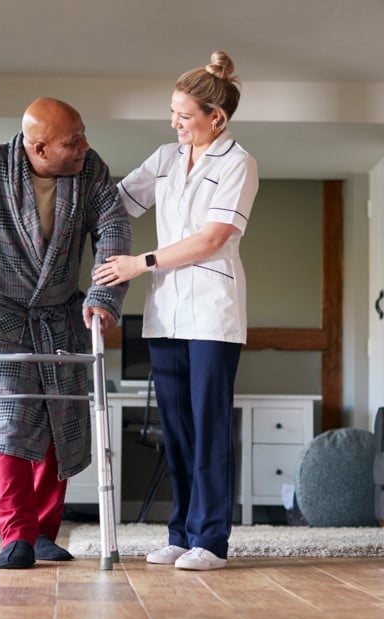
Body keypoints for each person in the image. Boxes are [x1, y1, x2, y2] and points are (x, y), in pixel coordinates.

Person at [0, 97, 132, 569]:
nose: (85, 146)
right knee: (12, 416)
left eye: (83, 134)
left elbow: (113, 232)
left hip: (62, 310)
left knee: (60, 418)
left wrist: (103, 300)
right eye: (72, 141)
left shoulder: (91, 171)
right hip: (4, 311)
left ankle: (45, 531)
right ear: (38, 148)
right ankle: (16, 534)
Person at [94, 51, 258, 571]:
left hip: (213, 313)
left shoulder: (238, 163)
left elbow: (212, 238)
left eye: (184, 116)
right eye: (173, 114)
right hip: (165, 314)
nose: (175, 124)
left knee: (209, 428)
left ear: (217, 118)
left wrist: (139, 262)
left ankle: (211, 541)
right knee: (176, 429)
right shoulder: (165, 158)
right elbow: (116, 202)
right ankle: (181, 532)